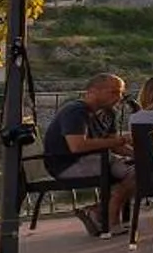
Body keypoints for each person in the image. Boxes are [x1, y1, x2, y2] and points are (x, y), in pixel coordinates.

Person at [43, 72, 134, 237]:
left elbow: (115, 145)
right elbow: (77, 146)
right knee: (133, 173)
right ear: (93, 91)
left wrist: (137, 155)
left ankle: (99, 210)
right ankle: (110, 218)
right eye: (114, 92)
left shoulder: (109, 113)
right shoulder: (75, 111)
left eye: (121, 93)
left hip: (99, 160)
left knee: (139, 170)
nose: (119, 97)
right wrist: (121, 140)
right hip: (68, 164)